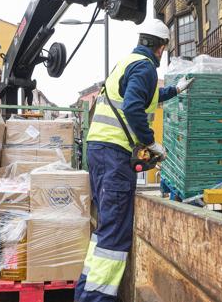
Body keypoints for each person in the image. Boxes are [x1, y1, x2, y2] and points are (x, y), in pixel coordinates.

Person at [75, 18, 193, 302]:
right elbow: (132, 106)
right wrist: (151, 143)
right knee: (115, 234)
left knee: (105, 230)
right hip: (115, 155)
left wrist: (175, 90)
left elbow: (144, 96)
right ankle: (96, 299)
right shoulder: (146, 67)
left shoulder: (128, 63)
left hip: (101, 151)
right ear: (161, 47)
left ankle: (85, 293)